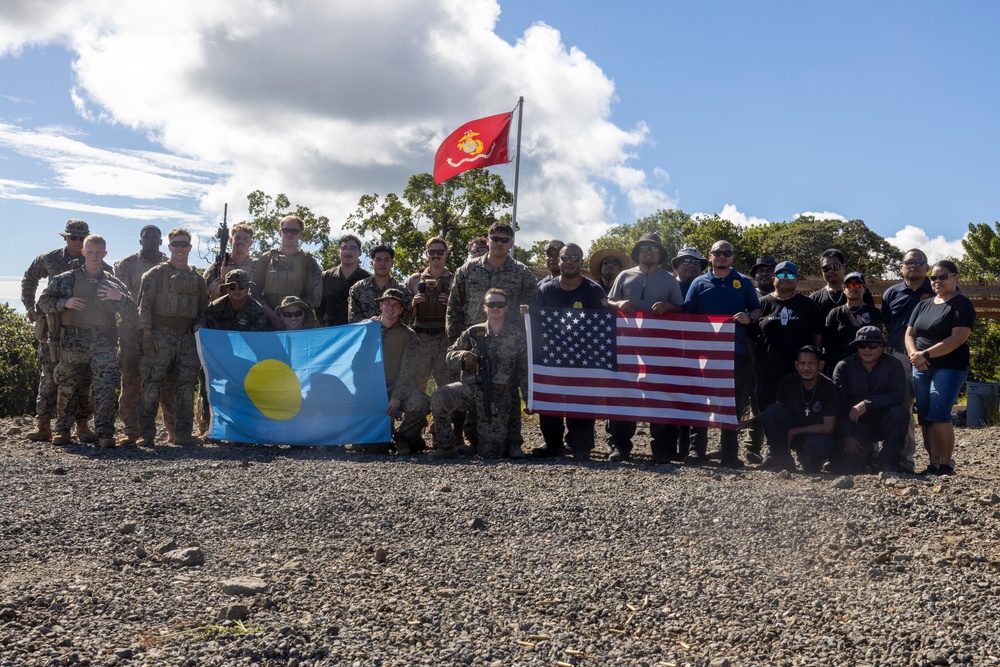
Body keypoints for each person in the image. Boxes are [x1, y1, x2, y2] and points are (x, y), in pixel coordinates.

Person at [37, 235, 136, 448]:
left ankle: (105, 434)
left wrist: (117, 297)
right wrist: (66, 302)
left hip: (103, 341)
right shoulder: (66, 279)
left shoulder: (112, 282)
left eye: (98, 252)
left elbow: (132, 310)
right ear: (83, 252)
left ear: (105, 254)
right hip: (72, 341)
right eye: (90, 252)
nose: (94, 256)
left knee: (105, 387)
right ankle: (63, 431)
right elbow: (44, 301)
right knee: (67, 386)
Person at [605, 232, 684, 462]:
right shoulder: (623, 276)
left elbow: (682, 309)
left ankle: (662, 449)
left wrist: (669, 306)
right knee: (624, 394)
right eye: (644, 248)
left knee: (660, 396)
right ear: (638, 252)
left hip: (659, 350)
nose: (648, 252)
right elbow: (608, 303)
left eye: (653, 248)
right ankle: (620, 446)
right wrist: (617, 303)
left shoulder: (670, 279)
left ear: (660, 253)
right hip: (626, 348)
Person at [684, 239, 761, 468]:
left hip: (735, 353)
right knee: (700, 401)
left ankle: (729, 454)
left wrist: (751, 317)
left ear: (732, 258)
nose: (722, 256)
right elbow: (689, 316)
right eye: (717, 252)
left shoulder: (744, 282)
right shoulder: (698, 283)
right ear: (710, 256)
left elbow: (756, 308)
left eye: (727, 253)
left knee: (732, 405)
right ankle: (696, 451)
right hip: (704, 354)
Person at [528, 243, 607, 461]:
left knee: (581, 402)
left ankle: (581, 447)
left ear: (581, 261)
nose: (570, 261)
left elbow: (602, 324)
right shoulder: (545, 289)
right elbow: (536, 321)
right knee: (550, 403)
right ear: (559, 261)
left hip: (584, 357)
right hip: (551, 356)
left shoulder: (593, 290)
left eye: (575, 257)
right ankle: (553, 446)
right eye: (565, 257)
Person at [21, 219, 98, 442]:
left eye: (82, 237)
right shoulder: (49, 258)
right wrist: (29, 305)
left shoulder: (94, 259)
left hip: (83, 331)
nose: (77, 241)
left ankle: (82, 426)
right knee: (49, 376)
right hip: (53, 329)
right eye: (73, 237)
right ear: (65, 237)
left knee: (84, 380)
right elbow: (29, 278)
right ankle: (43, 426)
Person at [430, 288, 529, 459]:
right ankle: (446, 447)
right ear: (484, 307)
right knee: (440, 397)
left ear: (506, 308)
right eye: (491, 304)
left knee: (490, 453)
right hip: (472, 388)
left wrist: (528, 399)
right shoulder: (473, 332)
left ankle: (497, 442)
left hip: (499, 395)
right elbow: (449, 356)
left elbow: (524, 371)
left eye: (500, 304)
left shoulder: (517, 335)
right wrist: (463, 356)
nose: (495, 308)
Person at [137, 229, 208, 447]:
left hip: (187, 339)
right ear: (168, 247)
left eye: (184, 244)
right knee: (151, 386)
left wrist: (197, 331)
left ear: (189, 247)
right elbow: (144, 307)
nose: (180, 248)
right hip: (159, 336)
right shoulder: (154, 275)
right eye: (175, 244)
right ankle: (146, 435)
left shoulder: (198, 280)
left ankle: (183, 435)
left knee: (186, 388)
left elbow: (203, 311)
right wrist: (147, 335)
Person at [905, 260, 975, 475]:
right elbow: (909, 334)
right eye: (933, 277)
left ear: (956, 277)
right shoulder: (923, 305)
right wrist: (915, 356)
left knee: (939, 413)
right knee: (925, 416)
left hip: (949, 367)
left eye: (942, 276)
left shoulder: (961, 304)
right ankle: (933, 463)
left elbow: (958, 338)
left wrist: (926, 354)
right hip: (921, 367)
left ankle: (945, 464)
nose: (937, 281)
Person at [114, 224, 173, 444]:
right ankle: (131, 430)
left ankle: (173, 430)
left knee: (167, 380)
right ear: (140, 241)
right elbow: (117, 294)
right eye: (145, 237)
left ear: (160, 241)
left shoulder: (170, 264)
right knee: (131, 378)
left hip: (162, 329)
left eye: (154, 237)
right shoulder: (128, 264)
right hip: (132, 328)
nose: (150, 240)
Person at [752, 261, 824, 424]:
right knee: (769, 414)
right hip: (767, 372)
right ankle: (773, 447)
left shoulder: (807, 304)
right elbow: (750, 337)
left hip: (799, 373)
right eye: (781, 275)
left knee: (799, 415)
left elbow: (818, 334)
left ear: (797, 279)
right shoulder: (762, 304)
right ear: (773, 278)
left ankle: (799, 447)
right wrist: (754, 361)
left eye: (790, 275)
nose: (786, 278)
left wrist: (815, 359)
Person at [881, 248, 933, 470]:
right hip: (900, 357)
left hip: (932, 358)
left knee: (932, 410)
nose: (914, 265)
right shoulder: (891, 293)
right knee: (902, 408)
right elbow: (889, 324)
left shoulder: (937, 288)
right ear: (901, 267)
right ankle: (904, 460)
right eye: (909, 262)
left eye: (919, 261)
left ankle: (939, 461)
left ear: (926, 266)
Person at [831, 326, 910, 473]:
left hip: (884, 421)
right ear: (857, 347)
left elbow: (898, 396)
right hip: (855, 425)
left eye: (873, 345)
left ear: (882, 347)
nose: (867, 349)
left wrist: (869, 403)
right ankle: (865, 458)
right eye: (862, 345)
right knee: (849, 467)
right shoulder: (844, 367)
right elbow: (838, 405)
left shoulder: (894, 364)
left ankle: (888, 461)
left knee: (900, 413)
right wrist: (847, 435)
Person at [447, 222, 538, 340]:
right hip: (472, 337)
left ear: (511, 243)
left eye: (505, 240)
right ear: (487, 240)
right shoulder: (467, 269)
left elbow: (531, 308)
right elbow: (454, 304)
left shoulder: (523, 273)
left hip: (508, 341)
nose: (499, 243)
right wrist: (454, 338)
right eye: (495, 239)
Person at [761, 346, 838, 473]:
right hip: (793, 430)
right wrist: (750, 422)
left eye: (811, 363)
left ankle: (812, 461)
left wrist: (794, 431)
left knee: (815, 453)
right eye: (802, 363)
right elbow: (775, 411)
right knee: (772, 410)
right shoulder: (789, 381)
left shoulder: (829, 387)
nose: (806, 368)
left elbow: (828, 427)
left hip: (816, 435)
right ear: (796, 365)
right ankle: (782, 461)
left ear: (821, 365)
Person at [372, 288, 431, 456]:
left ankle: (402, 436)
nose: (391, 308)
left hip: (398, 388)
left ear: (401, 310)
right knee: (377, 450)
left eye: (396, 305)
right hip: (373, 391)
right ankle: (378, 438)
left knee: (422, 403)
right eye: (387, 304)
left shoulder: (409, 335)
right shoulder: (368, 329)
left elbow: (409, 369)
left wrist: (397, 397)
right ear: (380, 305)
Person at [665, 246, 709, 460]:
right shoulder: (665, 285)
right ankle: (671, 447)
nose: (691, 265)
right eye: (686, 261)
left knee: (697, 400)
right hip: (669, 351)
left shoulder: (707, 287)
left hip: (700, 351)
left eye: (696, 262)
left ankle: (695, 448)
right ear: (676, 264)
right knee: (671, 399)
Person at [252, 215, 322, 329]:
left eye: (294, 231)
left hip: (300, 322)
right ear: (280, 232)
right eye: (286, 230)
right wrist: (270, 314)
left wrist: (292, 314)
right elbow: (253, 291)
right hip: (269, 321)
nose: (289, 234)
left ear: (301, 234)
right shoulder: (267, 259)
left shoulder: (309, 261)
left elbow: (316, 297)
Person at [404, 237, 453, 393]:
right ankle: (416, 416)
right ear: (426, 254)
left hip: (446, 338)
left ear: (446, 253)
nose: (436, 255)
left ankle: (443, 417)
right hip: (421, 338)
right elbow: (401, 311)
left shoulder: (456, 279)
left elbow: (466, 309)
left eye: (440, 251)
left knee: (446, 385)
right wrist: (413, 303)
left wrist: (451, 303)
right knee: (417, 384)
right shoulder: (414, 280)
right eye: (432, 252)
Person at [824, 272, 883, 369]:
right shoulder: (835, 313)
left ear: (864, 289)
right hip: (842, 364)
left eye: (857, 284)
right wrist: (840, 362)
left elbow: (878, 340)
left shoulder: (873, 312)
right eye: (849, 285)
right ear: (844, 289)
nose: (853, 287)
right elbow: (829, 342)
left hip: (868, 364)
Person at [317, 234, 371, 327]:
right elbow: (319, 307)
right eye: (344, 248)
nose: (348, 252)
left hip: (358, 332)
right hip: (331, 331)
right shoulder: (326, 277)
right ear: (339, 252)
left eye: (353, 248)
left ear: (360, 253)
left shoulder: (368, 279)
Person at [348, 244, 412, 323]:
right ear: (372, 263)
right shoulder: (358, 288)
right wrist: (369, 322)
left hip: (393, 334)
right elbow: (353, 318)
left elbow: (406, 318)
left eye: (386, 260)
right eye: (378, 260)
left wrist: (386, 325)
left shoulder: (403, 291)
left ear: (392, 263)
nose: (382, 263)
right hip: (367, 333)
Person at [809, 248, 875, 320]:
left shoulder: (859, 292)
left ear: (843, 267)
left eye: (835, 266)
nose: (830, 271)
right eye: (826, 268)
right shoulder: (814, 299)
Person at [198, 269, 269, 332]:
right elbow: (211, 334)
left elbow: (257, 338)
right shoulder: (215, 308)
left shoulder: (257, 311)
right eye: (232, 287)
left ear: (248, 288)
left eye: (241, 287)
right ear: (227, 289)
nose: (237, 291)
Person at [204, 222, 255, 300]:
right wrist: (222, 280)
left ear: (250, 243)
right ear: (231, 241)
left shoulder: (257, 265)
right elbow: (205, 296)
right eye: (237, 238)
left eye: (245, 239)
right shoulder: (218, 266)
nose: (241, 242)